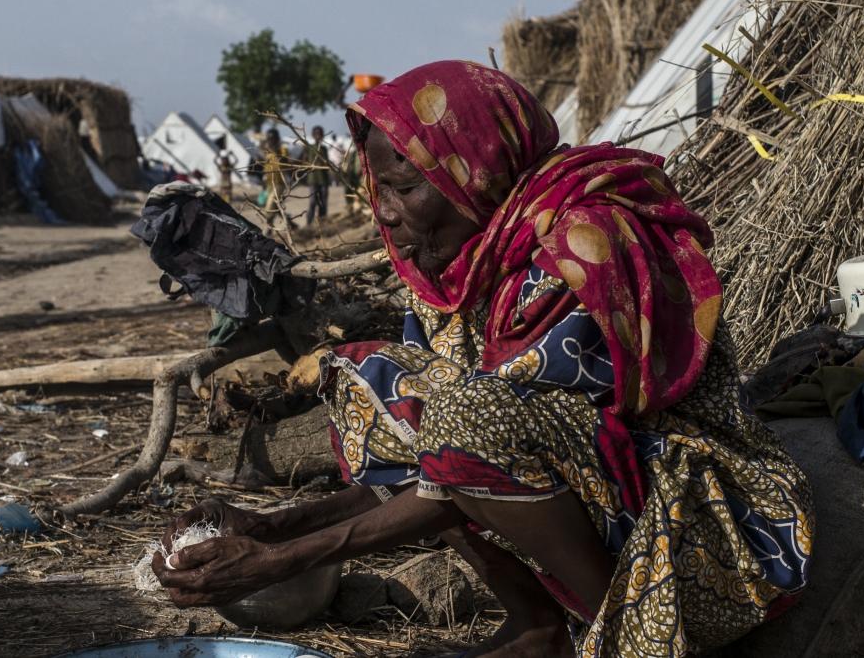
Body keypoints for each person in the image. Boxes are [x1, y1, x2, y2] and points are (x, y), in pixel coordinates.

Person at [152, 61, 812, 658]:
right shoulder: (468, 267)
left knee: (464, 416)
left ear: (472, 169)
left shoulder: (583, 246)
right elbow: (431, 459)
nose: (384, 210)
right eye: (377, 186)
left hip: (696, 528)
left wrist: (286, 558)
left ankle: (625, 633)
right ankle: (539, 627)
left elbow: (468, 458)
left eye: (404, 185)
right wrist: (271, 526)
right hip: (599, 491)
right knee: (373, 384)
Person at [303, 125, 332, 224]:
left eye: (320, 134)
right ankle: (309, 223)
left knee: (323, 203)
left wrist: (327, 164)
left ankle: (322, 222)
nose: (318, 136)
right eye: (316, 134)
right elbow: (304, 161)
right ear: (313, 135)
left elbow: (327, 162)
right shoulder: (309, 147)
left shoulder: (324, 149)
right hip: (313, 179)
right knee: (313, 202)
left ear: (323, 135)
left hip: (324, 180)